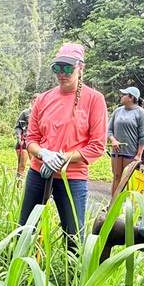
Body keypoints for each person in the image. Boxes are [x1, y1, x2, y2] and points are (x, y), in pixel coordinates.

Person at [19, 42, 106, 248]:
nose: (62, 73)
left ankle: (72, 279)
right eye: (57, 68)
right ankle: (20, 273)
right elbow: (31, 139)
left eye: (68, 68)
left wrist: (62, 158)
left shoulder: (94, 100)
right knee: (24, 230)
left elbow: (97, 146)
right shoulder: (43, 99)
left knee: (74, 236)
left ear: (80, 67)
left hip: (71, 177)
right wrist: (43, 154)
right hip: (39, 172)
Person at [106, 86, 144, 200]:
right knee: (116, 176)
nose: (122, 96)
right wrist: (113, 140)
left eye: (124, 95)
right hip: (116, 151)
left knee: (127, 178)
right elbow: (109, 130)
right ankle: (113, 203)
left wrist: (139, 154)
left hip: (131, 152)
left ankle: (125, 204)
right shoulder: (117, 111)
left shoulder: (140, 112)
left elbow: (143, 135)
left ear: (131, 98)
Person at [14, 98, 34, 179]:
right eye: (34, 100)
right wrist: (19, 138)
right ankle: (18, 188)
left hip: (34, 142)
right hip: (24, 141)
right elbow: (18, 127)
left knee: (34, 165)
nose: (36, 102)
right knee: (22, 166)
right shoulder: (25, 113)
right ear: (31, 101)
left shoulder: (42, 113)